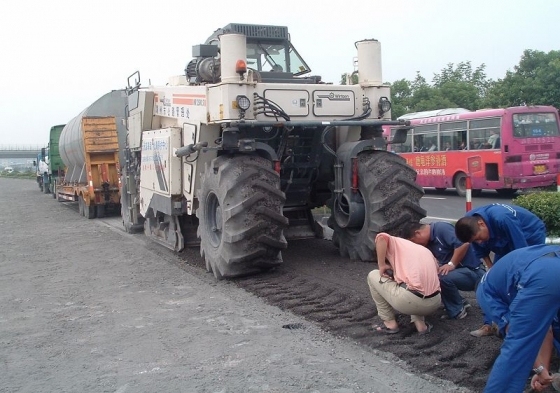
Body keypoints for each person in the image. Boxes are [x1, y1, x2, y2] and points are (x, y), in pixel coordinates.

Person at [475, 245, 560, 392]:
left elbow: (528, 334)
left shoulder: (488, 293)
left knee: (519, 345)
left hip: (546, 272)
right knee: (523, 342)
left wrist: (541, 370)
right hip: (547, 271)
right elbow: (543, 330)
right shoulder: (493, 294)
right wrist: (541, 370)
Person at [455, 203, 547, 337]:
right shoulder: (468, 223)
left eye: (479, 238)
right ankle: (491, 323)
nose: (479, 242)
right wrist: (491, 269)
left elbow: (521, 253)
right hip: (501, 239)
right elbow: (481, 251)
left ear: (481, 223)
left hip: (529, 235)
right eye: (476, 240)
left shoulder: (503, 218)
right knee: (493, 282)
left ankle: (525, 322)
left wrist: (516, 274)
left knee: (525, 279)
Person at [405, 222, 484, 320]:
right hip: (461, 273)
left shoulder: (441, 229)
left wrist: (451, 264)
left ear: (418, 233)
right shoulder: (429, 242)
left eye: (414, 241)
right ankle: (460, 302)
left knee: (442, 277)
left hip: (474, 272)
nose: (416, 245)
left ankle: (457, 311)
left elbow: (463, 244)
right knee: (433, 276)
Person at [366, 232, 441, 335]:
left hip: (410, 302)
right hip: (435, 301)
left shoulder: (393, 242)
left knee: (372, 275)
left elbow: (381, 237)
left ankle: (390, 324)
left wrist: (382, 265)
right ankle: (421, 326)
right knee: (417, 284)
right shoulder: (423, 251)